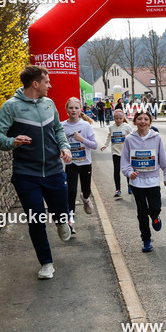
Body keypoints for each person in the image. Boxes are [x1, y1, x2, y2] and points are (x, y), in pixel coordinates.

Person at [0, 65, 72, 279]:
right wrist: (12, 141)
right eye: (47, 81)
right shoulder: (11, 107)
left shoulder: (49, 104)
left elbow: (58, 129)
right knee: (36, 219)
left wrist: (64, 147)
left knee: (61, 209)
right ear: (35, 84)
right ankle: (46, 263)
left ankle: (62, 220)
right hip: (27, 173)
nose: (50, 85)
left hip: (54, 170)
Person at [120, 110, 166, 252]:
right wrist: (130, 172)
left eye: (146, 119)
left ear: (150, 122)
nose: (143, 121)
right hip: (137, 183)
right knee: (141, 213)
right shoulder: (129, 139)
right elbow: (124, 161)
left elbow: (163, 159)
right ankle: (146, 240)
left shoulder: (156, 138)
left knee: (155, 208)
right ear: (135, 121)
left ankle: (155, 216)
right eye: (140, 119)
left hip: (153, 181)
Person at [62, 97, 98, 234]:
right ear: (66, 110)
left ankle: (86, 198)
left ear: (80, 110)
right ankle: (70, 221)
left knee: (86, 189)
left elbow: (94, 145)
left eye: (76, 108)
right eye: (70, 108)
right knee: (70, 192)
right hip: (70, 163)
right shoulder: (62, 126)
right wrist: (62, 151)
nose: (73, 110)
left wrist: (82, 139)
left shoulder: (85, 126)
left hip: (85, 163)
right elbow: (58, 143)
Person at [101, 109, 134, 197]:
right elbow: (109, 136)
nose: (118, 120)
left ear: (123, 118)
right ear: (114, 118)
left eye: (120, 118)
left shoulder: (127, 127)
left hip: (126, 152)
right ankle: (118, 189)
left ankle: (130, 185)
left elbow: (133, 137)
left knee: (127, 170)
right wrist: (105, 145)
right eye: (116, 118)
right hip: (115, 152)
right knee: (116, 170)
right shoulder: (111, 127)